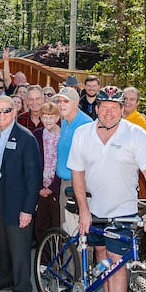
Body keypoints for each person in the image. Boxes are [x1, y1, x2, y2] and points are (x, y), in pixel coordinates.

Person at [67, 86, 146, 292]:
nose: (108, 113)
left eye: (114, 108)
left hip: (123, 211)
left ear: (123, 109)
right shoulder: (82, 133)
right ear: (96, 108)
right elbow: (77, 174)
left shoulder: (135, 134)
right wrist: (84, 210)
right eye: (104, 107)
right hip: (93, 209)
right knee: (101, 255)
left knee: (117, 261)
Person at [0, 96, 41, 292]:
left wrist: (28, 209)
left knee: (19, 250)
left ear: (15, 111)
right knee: (1, 243)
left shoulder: (26, 138)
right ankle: (5, 277)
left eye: (6, 110)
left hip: (19, 203)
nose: (1, 115)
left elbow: (33, 178)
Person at [54, 86, 92, 232]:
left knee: (79, 232)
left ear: (76, 103)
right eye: (59, 101)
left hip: (79, 184)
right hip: (64, 184)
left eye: (66, 101)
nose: (61, 104)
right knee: (66, 230)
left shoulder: (86, 124)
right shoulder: (64, 123)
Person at [32, 101, 61, 241]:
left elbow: (64, 163)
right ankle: (43, 260)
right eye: (45, 117)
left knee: (56, 223)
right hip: (41, 187)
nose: (48, 120)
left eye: (51, 117)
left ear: (57, 118)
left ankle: (58, 258)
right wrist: (39, 187)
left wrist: (53, 187)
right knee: (40, 224)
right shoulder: (36, 135)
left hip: (56, 187)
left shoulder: (62, 135)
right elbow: (32, 163)